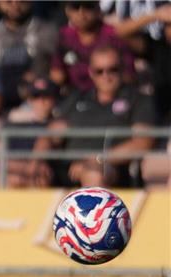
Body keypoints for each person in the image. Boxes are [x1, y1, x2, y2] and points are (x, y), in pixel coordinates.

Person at [51, 44, 156, 187]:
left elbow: (142, 142)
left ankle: (94, 209)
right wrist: (36, 161)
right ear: (91, 72)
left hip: (112, 169)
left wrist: (97, 159)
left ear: (122, 69)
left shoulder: (138, 99)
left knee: (94, 173)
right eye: (99, 71)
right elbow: (50, 133)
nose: (106, 76)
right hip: (67, 169)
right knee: (22, 172)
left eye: (112, 69)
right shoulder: (77, 97)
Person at [0, 0, 57, 110]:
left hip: (37, 99)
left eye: (22, 1)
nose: (16, 6)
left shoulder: (48, 31)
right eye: (9, 2)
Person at [51, 1, 134, 95]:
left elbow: (128, 76)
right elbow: (57, 75)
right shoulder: (65, 35)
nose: (81, 13)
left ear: (98, 9)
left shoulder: (113, 35)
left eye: (88, 7)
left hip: (112, 97)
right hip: (74, 97)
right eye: (76, 7)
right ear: (67, 11)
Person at [0, 76, 58, 188]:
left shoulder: (58, 123)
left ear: (54, 100)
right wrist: (29, 168)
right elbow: (6, 162)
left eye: (46, 96)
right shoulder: (16, 126)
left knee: (41, 176)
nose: (41, 101)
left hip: (44, 178)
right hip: (22, 173)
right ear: (30, 101)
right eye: (36, 97)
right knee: (6, 177)